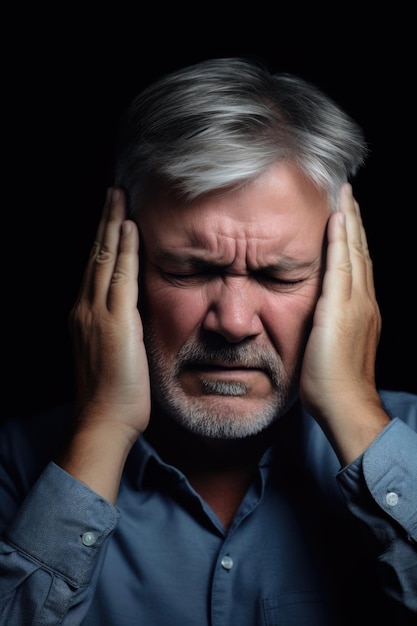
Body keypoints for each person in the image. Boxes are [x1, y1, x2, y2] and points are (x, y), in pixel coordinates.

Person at [0, 57, 416, 626]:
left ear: (347, 279)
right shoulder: (16, 466)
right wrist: (102, 426)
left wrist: (353, 407)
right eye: (189, 271)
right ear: (119, 269)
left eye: (279, 275)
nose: (234, 322)